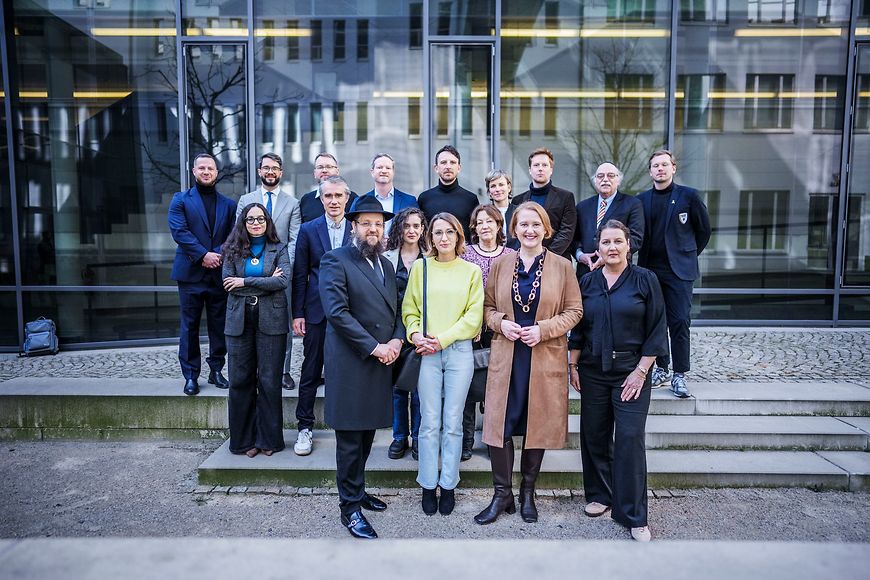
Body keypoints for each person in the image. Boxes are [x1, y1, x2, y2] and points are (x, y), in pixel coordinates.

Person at [475, 201, 582, 525]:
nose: (530, 230)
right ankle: (501, 493)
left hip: (542, 356)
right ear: (514, 229)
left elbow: (575, 311)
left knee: (537, 426)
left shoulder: (563, 266)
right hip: (507, 356)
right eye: (523, 224)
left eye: (536, 224)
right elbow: (487, 308)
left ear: (546, 229)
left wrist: (543, 329)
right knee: (499, 426)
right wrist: (501, 323)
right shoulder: (501, 265)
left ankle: (527, 493)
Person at [568, 219, 667, 542]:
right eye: (606, 242)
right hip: (593, 370)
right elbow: (579, 329)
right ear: (597, 247)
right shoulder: (588, 282)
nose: (611, 248)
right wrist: (573, 365)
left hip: (631, 372)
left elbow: (656, 327)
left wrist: (641, 371)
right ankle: (600, 495)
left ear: (628, 245)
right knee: (594, 435)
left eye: (617, 242)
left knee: (628, 438)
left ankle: (634, 515)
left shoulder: (645, 279)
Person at [319, 196, 404, 540]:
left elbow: (398, 311)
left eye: (378, 224)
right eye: (366, 223)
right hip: (353, 363)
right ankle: (349, 508)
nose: (373, 229)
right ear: (353, 226)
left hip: (380, 361)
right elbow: (337, 313)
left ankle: (358, 489)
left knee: (367, 436)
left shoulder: (384, 264)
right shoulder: (334, 259)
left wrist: (397, 341)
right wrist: (375, 347)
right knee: (350, 441)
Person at [403, 212, 483, 516]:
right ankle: (427, 483)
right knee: (428, 421)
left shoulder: (471, 271)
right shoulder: (420, 268)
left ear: (459, 235)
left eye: (449, 232)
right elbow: (409, 308)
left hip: (458, 350)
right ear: (430, 237)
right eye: (438, 232)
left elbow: (473, 316)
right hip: (425, 351)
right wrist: (414, 333)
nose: (444, 238)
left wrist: (444, 339)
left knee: (453, 421)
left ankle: (448, 484)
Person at [636, 150, 711, 398]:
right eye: (655, 165)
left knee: (679, 321)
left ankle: (680, 374)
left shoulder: (688, 196)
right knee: (655, 322)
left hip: (679, 271)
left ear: (673, 168)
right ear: (650, 171)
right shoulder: (642, 200)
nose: (660, 169)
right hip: (650, 270)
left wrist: (686, 254)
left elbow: (703, 232)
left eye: (664, 165)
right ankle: (661, 368)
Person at [221, 203, 291, 457]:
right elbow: (228, 283)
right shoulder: (231, 249)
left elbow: (283, 280)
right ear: (243, 222)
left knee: (269, 380)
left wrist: (246, 281)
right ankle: (243, 440)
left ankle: (268, 440)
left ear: (267, 221)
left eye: (260, 219)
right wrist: (265, 282)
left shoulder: (279, 248)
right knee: (240, 380)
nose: (256, 223)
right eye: (250, 219)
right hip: (239, 320)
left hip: (270, 320)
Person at [291, 175, 352, 455]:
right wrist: (298, 313)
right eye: (328, 196)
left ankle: (349, 426)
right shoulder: (308, 229)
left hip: (350, 311)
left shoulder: (357, 228)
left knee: (348, 370)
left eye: (338, 196)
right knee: (311, 370)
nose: (333, 201)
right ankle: (304, 427)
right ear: (321, 199)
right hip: (316, 312)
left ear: (346, 198)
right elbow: (300, 274)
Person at [168, 153, 236, 396]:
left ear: (217, 173)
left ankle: (216, 370)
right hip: (190, 274)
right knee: (189, 327)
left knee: (219, 327)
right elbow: (179, 232)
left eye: (211, 168)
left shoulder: (229, 205)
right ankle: (190, 375)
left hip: (219, 274)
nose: (206, 172)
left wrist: (216, 255)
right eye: (202, 168)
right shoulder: (180, 200)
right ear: (194, 171)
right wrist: (203, 255)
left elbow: (233, 236)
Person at [237, 153, 302, 391]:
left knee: (281, 323)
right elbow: (239, 236)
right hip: (251, 270)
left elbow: (294, 240)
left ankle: (283, 371)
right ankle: (255, 369)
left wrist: (283, 267)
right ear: (259, 171)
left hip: (280, 274)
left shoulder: (292, 203)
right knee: (250, 321)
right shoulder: (246, 200)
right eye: (266, 168)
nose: (270, 172)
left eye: (275, 168)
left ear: (281, 172)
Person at [459, 204, 516, 461]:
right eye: (479, 222)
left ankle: (495, 442)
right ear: (474, 227)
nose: (484, 226)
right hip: (471, 330)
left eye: (489, 221)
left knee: (497, 388)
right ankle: (466, 441)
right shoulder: (465, 254)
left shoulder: (511, 255)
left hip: (501, 329)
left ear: (498, 225)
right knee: (468, 387)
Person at [383, 207, 429, 461]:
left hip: (422, 331)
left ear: (423, 229)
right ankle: (399, 437)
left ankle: (420, 437)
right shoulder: (386, 257)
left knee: (421, 390)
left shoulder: (431, 258)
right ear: (399, 228)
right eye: (407, 226)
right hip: (393, 332)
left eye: (416, 226)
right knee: (398, 388)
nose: (411, 231)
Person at [574, 162, 644, 284]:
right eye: (600, 176)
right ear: (595, 181)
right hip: (586, 272)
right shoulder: (582, 206)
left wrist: (608, 257)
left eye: (611, 175)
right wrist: (580, 256)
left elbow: (636, 238)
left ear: (618, 180)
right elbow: (574, 238)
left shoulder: (632, 204)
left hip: (618, 273)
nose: (605, 179)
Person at [510, 148, 576, 259]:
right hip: (525, 260)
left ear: (551, 170)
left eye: (544, 165)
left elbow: (567, 232)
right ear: (530, 170)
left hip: (556, 259)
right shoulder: (518, 200)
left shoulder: (565, 197)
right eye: (536, 165)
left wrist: (545, 256)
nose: (540, 169)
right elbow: (516, 232)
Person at [417, 145, 479, 241]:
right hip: (432, 254)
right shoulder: (424, 198)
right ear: (436, 168)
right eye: (443, 162)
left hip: (463, 254)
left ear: (459, 168)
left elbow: (475, 233)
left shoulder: (471, 199)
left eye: (453, 162)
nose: (448, 166)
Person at [363, 153, 419, 234]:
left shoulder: (409, 201)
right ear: (372, 172)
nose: (384, 171)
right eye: (379, 167)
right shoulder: (361, 201)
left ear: (393, 172)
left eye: (388, 168)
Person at [298, 152, 358, 223]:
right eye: (320, 167)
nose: (324, 170)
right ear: (314, 173)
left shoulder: (353, 198)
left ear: (337, 171)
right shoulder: (306, 200)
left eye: (329, 167)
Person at [485, 169, 516, 244]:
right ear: (489, 192)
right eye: (493, 186)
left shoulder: (518, 212)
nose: (497, 189)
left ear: (509, 188)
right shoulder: (485, 214)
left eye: (501, 185)